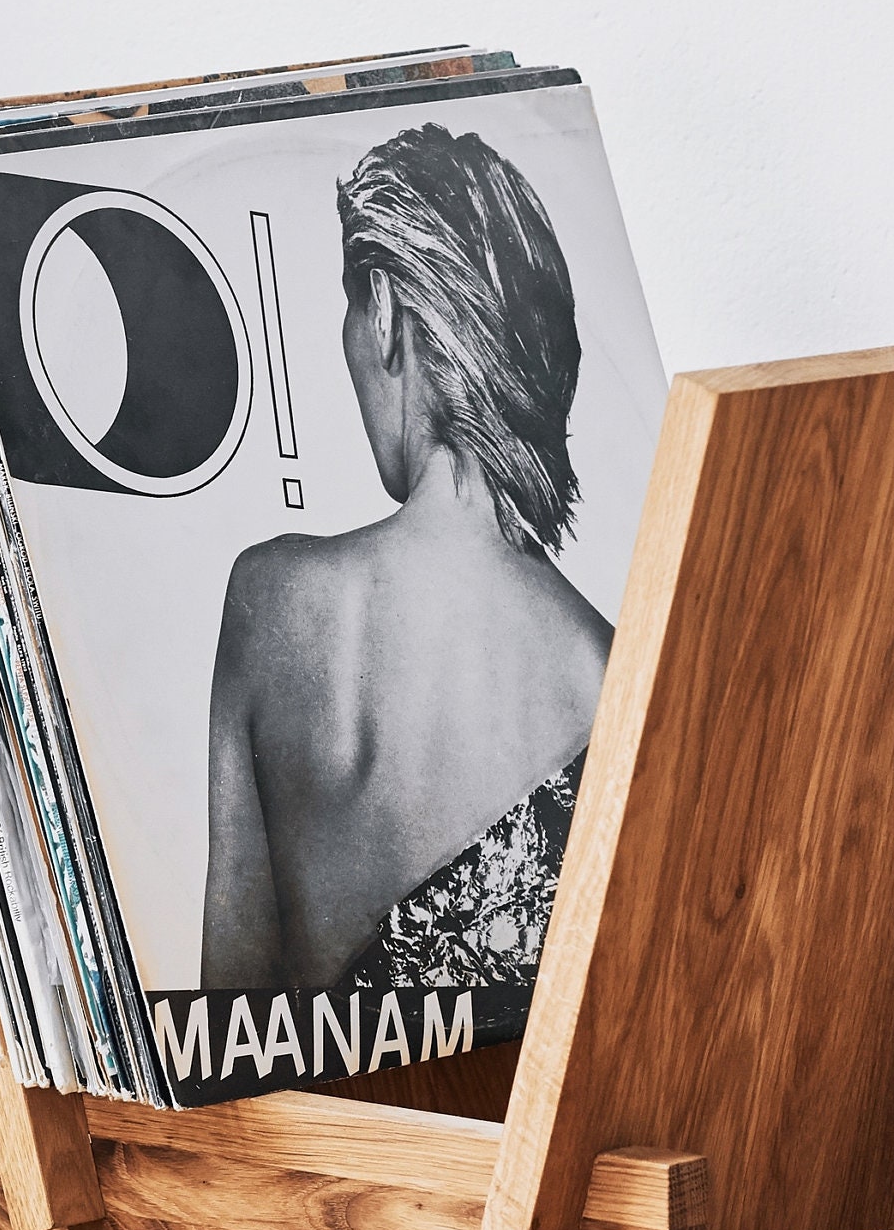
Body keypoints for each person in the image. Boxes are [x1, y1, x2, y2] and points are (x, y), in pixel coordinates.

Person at [202, 122, 608, 995]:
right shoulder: (612, 674)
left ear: (384, 309)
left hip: (331, 1133)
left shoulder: (271, 601)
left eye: (348, 309)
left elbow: (230, 1017)